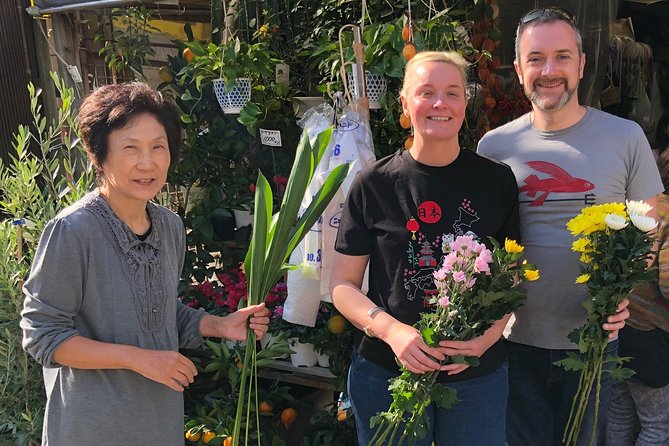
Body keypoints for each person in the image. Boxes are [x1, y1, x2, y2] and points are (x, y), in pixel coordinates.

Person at [20, 83, 270, 445]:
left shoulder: (169, 227)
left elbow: (158, 313)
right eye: (130, 148)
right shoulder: (73, 231)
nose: (147, 163)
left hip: (159, 423)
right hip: (92, 429)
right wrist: (139, 359)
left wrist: (221, 325)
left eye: (158, 147)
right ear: (99, 155)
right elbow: (42, 335)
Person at [477, 6, 663, 446]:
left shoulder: (626, 137)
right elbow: (479, 240)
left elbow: (650, 227)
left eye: (562, 56)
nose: (549, 70)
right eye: (536, 58)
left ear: (581, 65)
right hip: (514, 337)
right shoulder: (494, 147)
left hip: (595, 337)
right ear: (519, 68)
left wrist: (623, 290)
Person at [330, 51, 520, 446]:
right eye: (426, 92)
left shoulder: (497, 182)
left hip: (475, 376)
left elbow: (512, 277)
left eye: (452, 92)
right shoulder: (373, 184)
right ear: (405, 102)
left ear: (465, 102)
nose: (440, 104)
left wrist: (487, 338)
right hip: (386, 373)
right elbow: (343, 286)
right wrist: (392, 332)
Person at [605, 148, 669, 446]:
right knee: (656, 424)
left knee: (619, 411)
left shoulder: (635, 207)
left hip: (619, 325)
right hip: (651, 334)